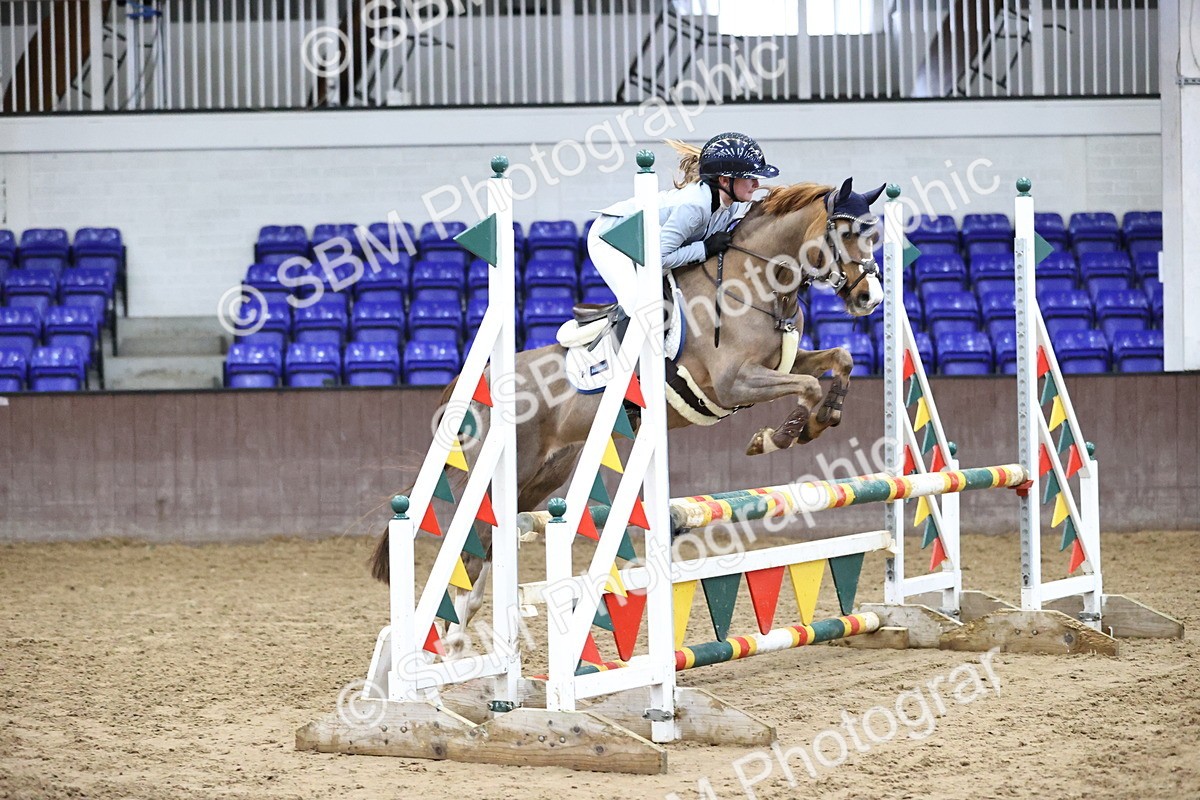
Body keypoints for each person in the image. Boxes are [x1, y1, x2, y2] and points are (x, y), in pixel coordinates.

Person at [586, 132, 780, 312]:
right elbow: (658, 260)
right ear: (723, 181)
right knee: (637, 306)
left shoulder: (732, 205)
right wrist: (704, 249)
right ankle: (601, 347)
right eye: (749, 178)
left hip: (644, 244)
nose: (756, 184)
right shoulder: (694, 207)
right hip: (610, 238)